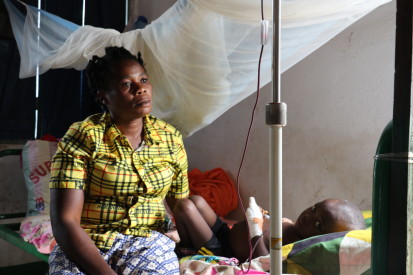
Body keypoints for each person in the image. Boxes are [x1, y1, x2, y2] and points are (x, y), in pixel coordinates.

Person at [48, 46, 189, 274]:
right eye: (126, 84)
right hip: (86, 241)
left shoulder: (170, 139)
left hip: (147, 243)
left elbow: (182, 206)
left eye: (143, 80)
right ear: (103, 96)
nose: (140, 89)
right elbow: (65, 221)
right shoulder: (84, 136)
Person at [172, 197, 366, 261]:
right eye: (315, 208)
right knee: (196, 200)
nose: (309, 215)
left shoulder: (294, 246)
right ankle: (190, 236)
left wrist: (255, 230)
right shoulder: (290, 223)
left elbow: (263, 260)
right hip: (226, 233)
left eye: (318, 224)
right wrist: (262, 216)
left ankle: (188, 248)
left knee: (185, 208)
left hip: (221, 251)